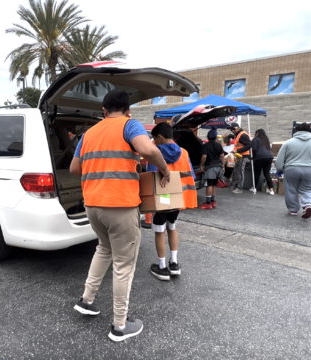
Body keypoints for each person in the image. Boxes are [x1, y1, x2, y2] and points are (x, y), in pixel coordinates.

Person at [70, 90, 171, 342]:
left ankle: (87, 300)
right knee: (124, 265)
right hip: (120, 206)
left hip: (93, 205)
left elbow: (74, 168)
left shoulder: (89, 133)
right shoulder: (130, 125)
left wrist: (98, 172)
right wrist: (165, 169)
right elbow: (147, 150)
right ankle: (119, 325)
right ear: (128, 111)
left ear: (103, 111)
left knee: (103, 249)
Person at [146, 122, 196, 281]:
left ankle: (162, 267)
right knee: (172, 227)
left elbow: (150, 178)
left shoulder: (154, 153)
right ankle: (174, 264)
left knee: (159, 230)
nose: (154, 142)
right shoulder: (184, 153)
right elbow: (191, 176)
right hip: (178, 198)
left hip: (163, 198)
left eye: (154, 139)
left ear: (160, 137)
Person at [276, 123, 311, 219]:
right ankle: (309, 204)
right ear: (310, 131)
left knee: (290, 189)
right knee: (308, 189)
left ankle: (293, 209)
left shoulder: (288, 143)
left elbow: (280, 158)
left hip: (292, 169)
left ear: (297, 131)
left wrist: (279, 169)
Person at [199, 127, 226, 209]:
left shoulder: (206, 146)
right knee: (214, 184)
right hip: (218, 167)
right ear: (215, 137)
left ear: (208, 137)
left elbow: (204, 157)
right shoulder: (219, 145)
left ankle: (207, 203)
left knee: (209, 185)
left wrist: (201, 165)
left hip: (210, 168)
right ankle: (213, 201)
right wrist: (223, 167)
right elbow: (222, 157)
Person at [229, 123, 252, 194]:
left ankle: (240, 187)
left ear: (238, 127)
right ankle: (237, 185)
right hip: (239, 155)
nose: (233, 131)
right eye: (231, 129)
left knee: (240, 171)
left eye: (234, 129)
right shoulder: (239, 134)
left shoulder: (243, 135)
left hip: (243, 156)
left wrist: (237, 150)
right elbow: (239, 142)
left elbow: (249, 145)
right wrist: (230, 136)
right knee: (237, 171)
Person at [251, 128, 275, 195]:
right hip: (269, 156)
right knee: (266, 173)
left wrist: (253, 157)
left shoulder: (255, 139)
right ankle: (271, 190)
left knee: (257, 173)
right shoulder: (266, 140)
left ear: (257, 133)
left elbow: (254, 149)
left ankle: (254, 187)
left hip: (260, 157)